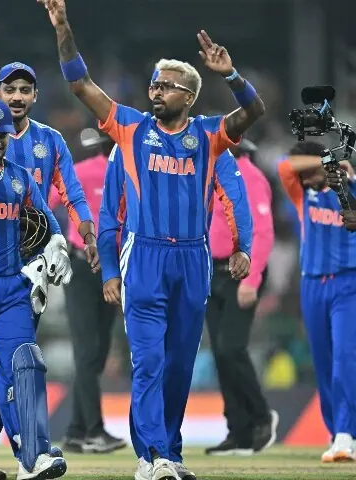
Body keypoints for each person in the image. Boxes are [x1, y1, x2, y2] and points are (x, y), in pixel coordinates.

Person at [38, 1, 264, 478]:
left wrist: (233, 75)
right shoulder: (131, 127)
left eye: (165, 85)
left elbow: (255, 111)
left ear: (189, 95)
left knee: (180, 367)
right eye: (154, 83)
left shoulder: (210, 136)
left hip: (193, 260)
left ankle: (169, 454)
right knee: (149, 363)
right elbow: (81, 84)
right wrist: (63, 28)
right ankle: (152, 457)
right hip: (144, 258)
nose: (154, 90)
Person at [0, 61, 99, 480]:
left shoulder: (28, 169)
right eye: (11, 90)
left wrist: (62, 244)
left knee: (23, 362)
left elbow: (49, 214)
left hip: (19, 281)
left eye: (2, 134)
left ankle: (33, 454)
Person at [277, 141, 356, 463]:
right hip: (311, 285)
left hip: (347, 282)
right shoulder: (301, 192)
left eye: (308, 171)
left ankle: (344, 436)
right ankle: (336, 431)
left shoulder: (350, 188)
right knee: (323, 364)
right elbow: (284, 165)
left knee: (344, 358)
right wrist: (328, 162)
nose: (304, 176)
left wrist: (342, 175)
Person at [46, 134, 126, 455]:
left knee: (90, 348)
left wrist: (54, 239)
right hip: (109, 267)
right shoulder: (126, 174)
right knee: (93, 349)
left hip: (82, 265)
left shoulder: (78, 170)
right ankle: (93, 430)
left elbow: (44, 202)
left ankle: (78, 430)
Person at [205, 142, 279, 456]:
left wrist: (252, 278)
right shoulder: (212, 176)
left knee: (230, 347)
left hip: (240, 270)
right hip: (212, 272)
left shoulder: (249, 175)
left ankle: (262, 416)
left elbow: (263, 230)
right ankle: (238, 430)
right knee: (221, 354)